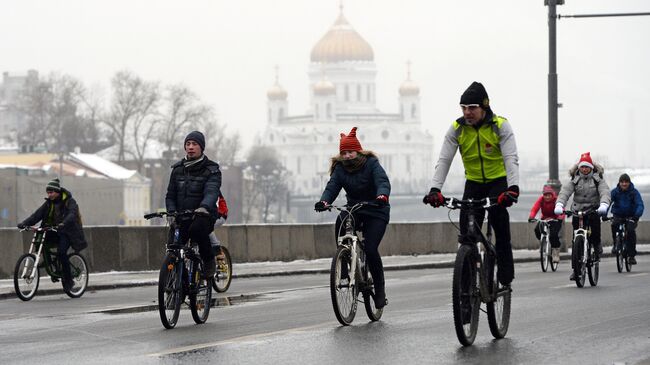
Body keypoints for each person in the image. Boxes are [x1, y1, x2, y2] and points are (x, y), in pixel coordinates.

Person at [423, 81, 520, 287]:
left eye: (472, 108)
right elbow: (444, 160)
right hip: (474, 184)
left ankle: (505, 275)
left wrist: (512, 188)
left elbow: (511, 158)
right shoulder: (457, 129)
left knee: (500, 227)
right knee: (467, 238)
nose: (467, 112)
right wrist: (435, 189)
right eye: (464, 108)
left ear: (484, 107)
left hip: (498, 183)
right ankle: (466, 298)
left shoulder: (500, 126)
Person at [314, 127, 391, 308]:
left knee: (371, 249)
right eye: (344, 153)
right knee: (341, 220)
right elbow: (332, 187)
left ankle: (379, 290)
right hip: (355, 208)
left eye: (350, 152)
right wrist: (324, 202)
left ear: (358, 151)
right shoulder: (340, 169)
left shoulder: (371, 163)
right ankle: (344, 260)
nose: (347, 156)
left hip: (376, 209)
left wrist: (382, 196)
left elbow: (382, 181)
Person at [165, 131, 221, 278]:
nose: (190, 147)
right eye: (188, 144)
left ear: (201, 147)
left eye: (194, 144)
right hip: (182, 215)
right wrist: (171, 211)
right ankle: (177, 280)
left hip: (203, 214)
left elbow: (211, 191)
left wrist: (204, 207)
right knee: (173, 245)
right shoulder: (177, 170)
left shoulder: (212, 169)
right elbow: (170, 195)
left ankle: (208, 260)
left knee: (197, 230)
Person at [17, 178, 88, 292]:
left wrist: (63, 223)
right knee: (40, 242)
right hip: (53, 230)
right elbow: (36, 215)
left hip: (67, 231)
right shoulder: (48, 203)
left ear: (57, 192)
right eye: (48, 192)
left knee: (61, 252)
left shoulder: (69, 201)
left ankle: (69, 280)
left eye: (51, 192)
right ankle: (49, 263)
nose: (49, 195)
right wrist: (24, 224)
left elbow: (72, 214)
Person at [554, 152, 610, 280]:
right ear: (579, 168)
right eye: (582, 167)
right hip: (577, 211)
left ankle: (596, 245)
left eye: (587, 167)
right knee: (576, 239)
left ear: (591, 167)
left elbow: (605, 192)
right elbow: (565, 192)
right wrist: (559, 205)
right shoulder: (575, 180)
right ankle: (576, 269)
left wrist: (604, 205)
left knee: (595, 231)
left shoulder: (598, 179)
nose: (584, 169)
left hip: (593, 210)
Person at [609, 173, 644, 264]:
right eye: (622, 182)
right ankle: (616, 244)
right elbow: (607, 203)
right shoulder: (615, 192)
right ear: (619, 183)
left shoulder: (634, 192)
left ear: (629, 182)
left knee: (630, 231)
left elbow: (640, 204)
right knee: (614, 225)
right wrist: (603, 213)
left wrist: (636, 215)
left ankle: (631, 256)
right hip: (618, 215)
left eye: (626, 182)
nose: (624, 184)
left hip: (631, 216)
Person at [528, 185, 565, 263]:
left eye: (549, 195)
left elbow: (561, 210)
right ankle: (543, 242)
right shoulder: (541, 200)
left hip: (555, 219)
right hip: (544, 219)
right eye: (545, 195)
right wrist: (531, 217)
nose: (547, 197)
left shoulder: (556, 200)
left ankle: (555, 253)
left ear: (552, 195)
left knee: (553, 235)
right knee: (537, 230)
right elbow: (535, 208)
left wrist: (560, 218)